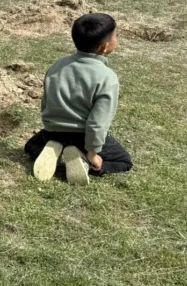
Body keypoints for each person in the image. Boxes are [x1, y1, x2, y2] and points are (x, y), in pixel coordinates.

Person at [25, 13, 132, 186]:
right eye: (115, 36)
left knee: (31, 146)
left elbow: (46, 103)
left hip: (52, 132)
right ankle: (84, 161)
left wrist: (50, 127)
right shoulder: (107, 78)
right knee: (123, 162)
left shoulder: (58, 65)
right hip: (82, 138)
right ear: (105, 46)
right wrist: (93, 153)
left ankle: (52, 152)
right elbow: (97, 123)